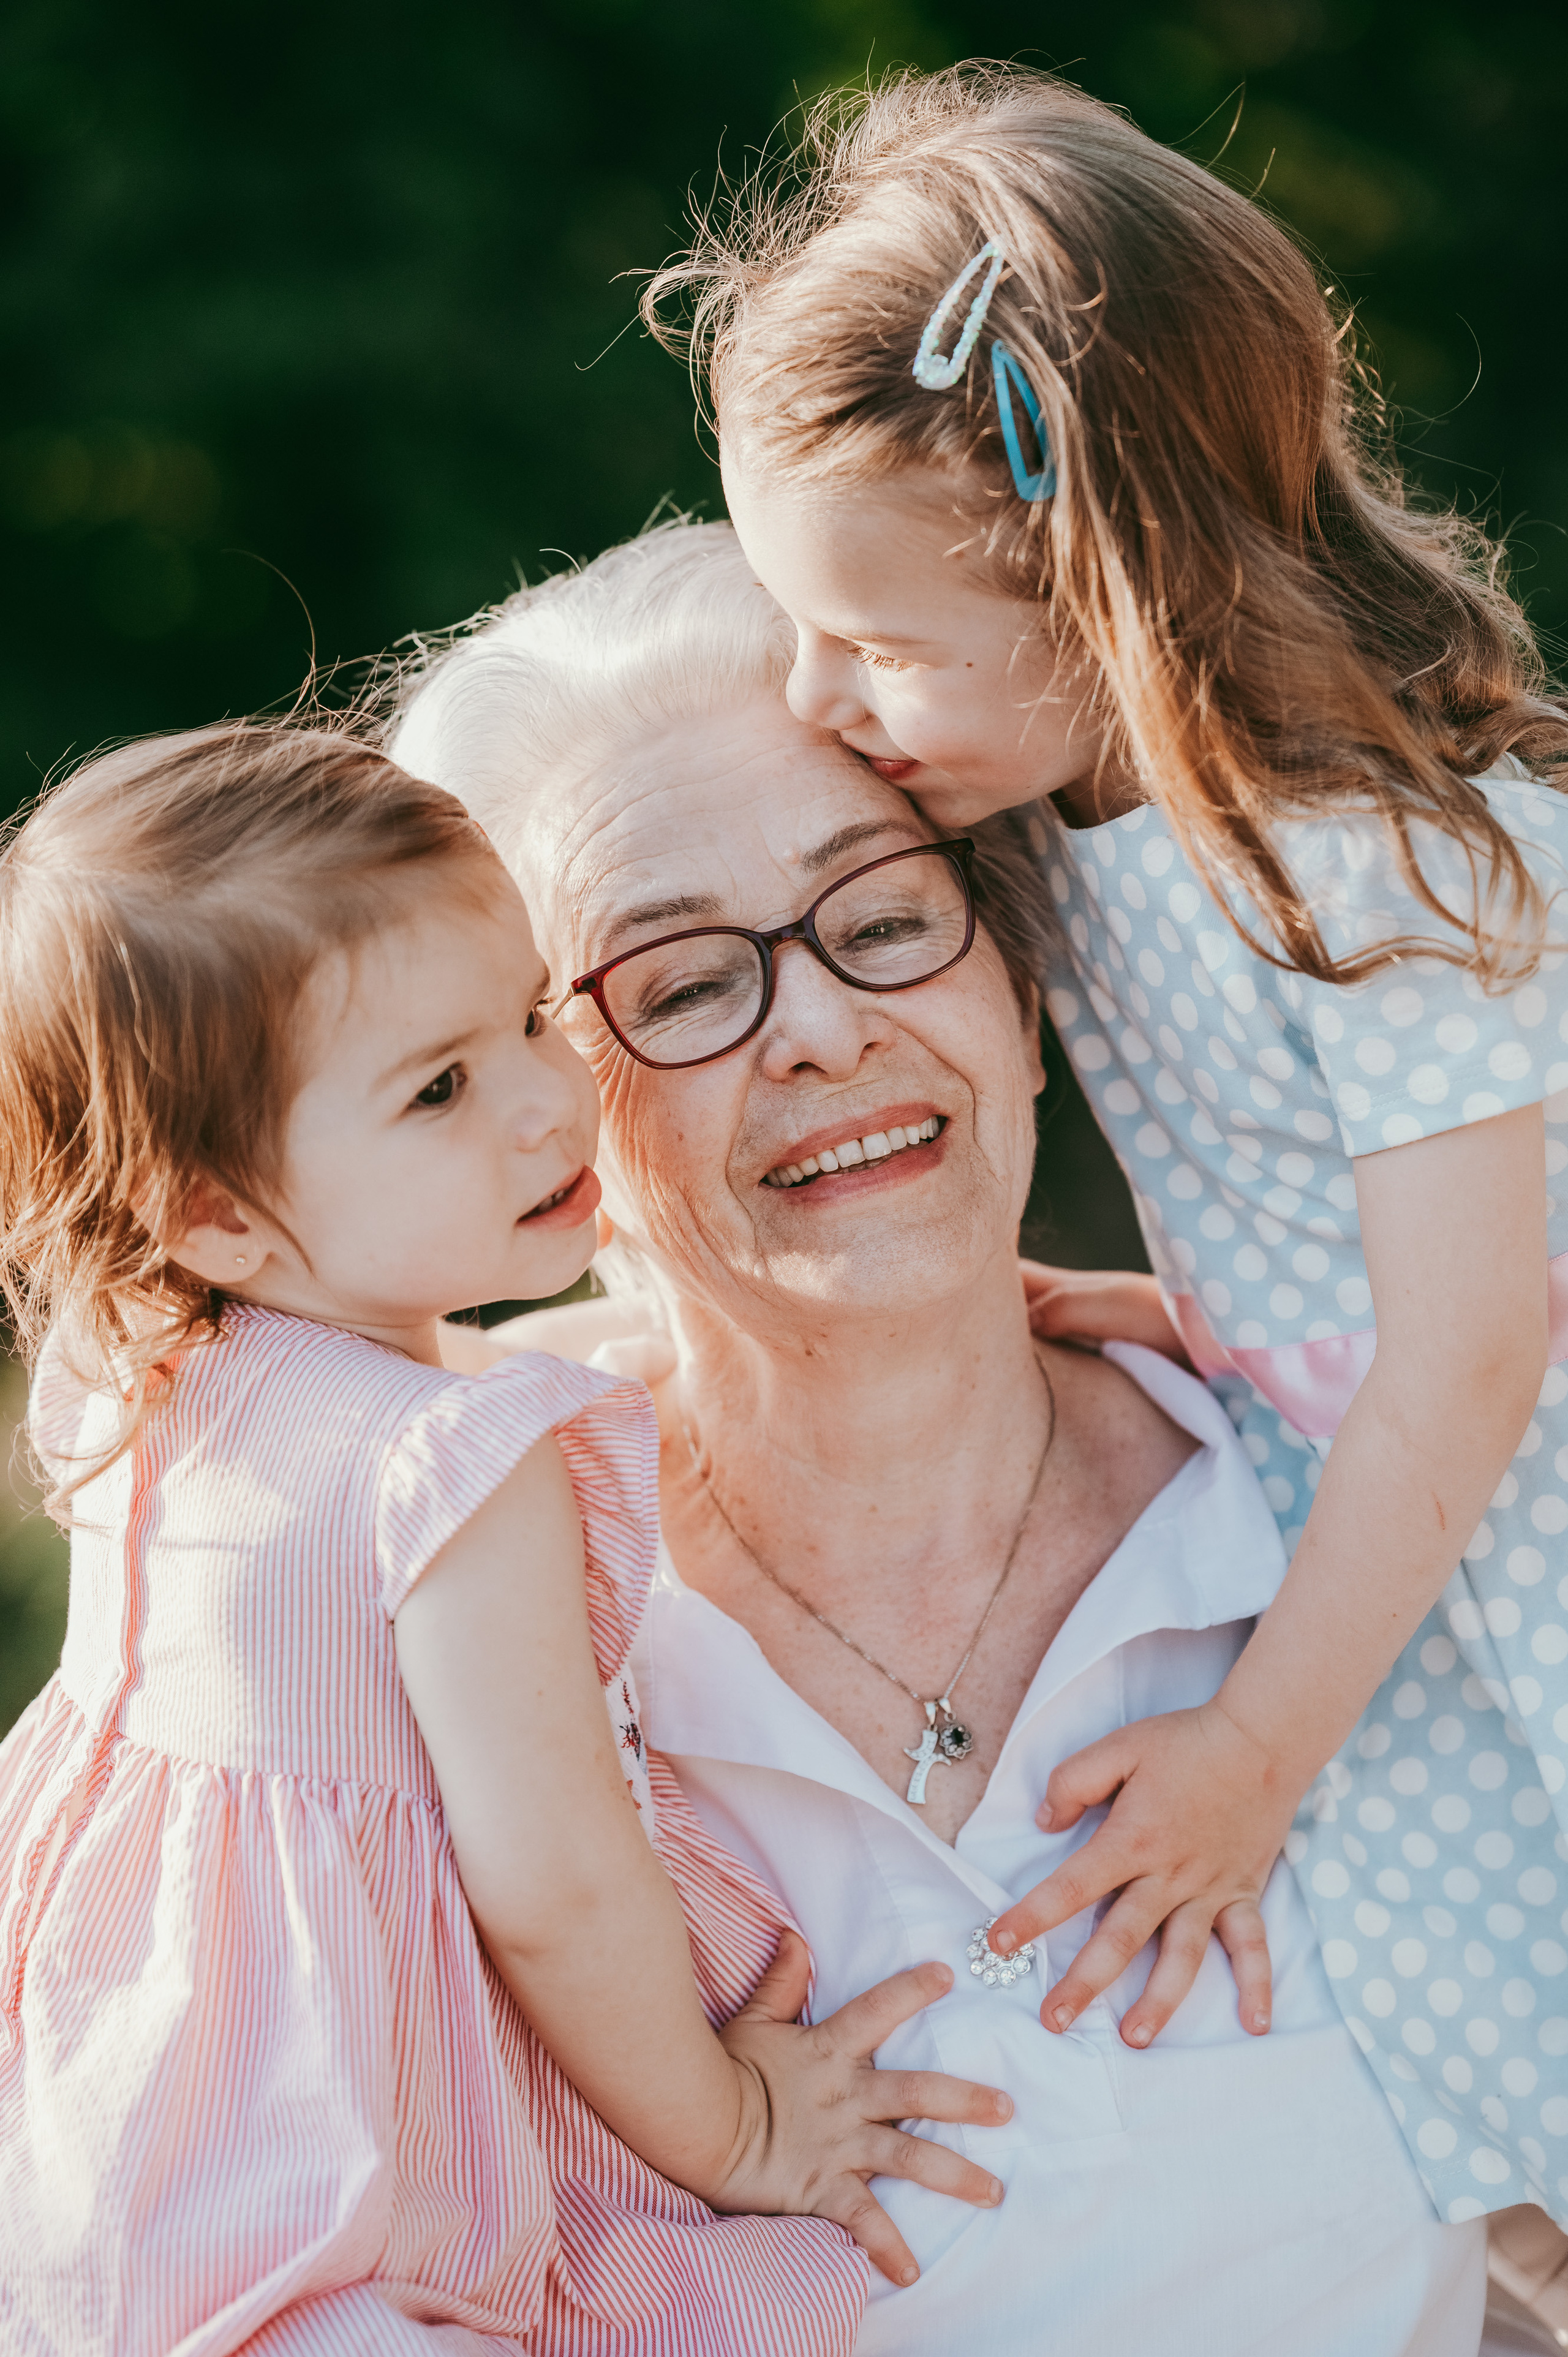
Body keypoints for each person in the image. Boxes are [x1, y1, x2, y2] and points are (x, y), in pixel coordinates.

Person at [389, 516, 1487, 2354]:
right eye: (679, 986)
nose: (821, 1026)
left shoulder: (1388, 1517)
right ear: (533, 1128)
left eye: (888, 917)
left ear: (1025, 986)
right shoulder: (438, 1632)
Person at [648, 61, 1568, 2229]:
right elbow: (1333, 1290)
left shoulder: (1382, 868)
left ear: (1111, 588)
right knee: (1481, 2114)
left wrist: (1257, 1755)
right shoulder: (1067, 815)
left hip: (1491, 1530)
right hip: (1390, 1538)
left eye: (871, 640)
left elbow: (1474, 1341)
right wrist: (1147, 1310)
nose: (814, 691)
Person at [0, 723, 1011, 2355]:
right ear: (214, 1213)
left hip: (134, 2104)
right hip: (344, 2163)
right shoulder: (459, 1479)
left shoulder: (134, 1359)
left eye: (533, 1012)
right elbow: (556, 1886)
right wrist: (733, 2131)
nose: (552, 1098)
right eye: (441, 1087)